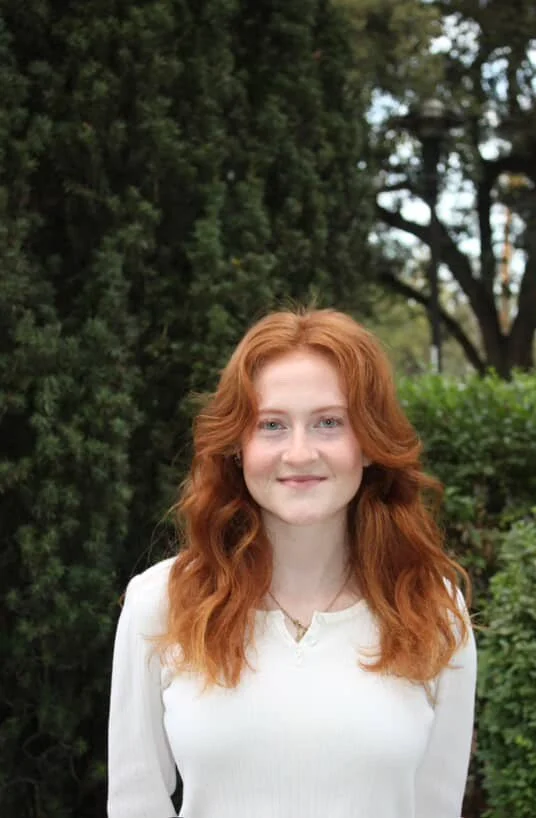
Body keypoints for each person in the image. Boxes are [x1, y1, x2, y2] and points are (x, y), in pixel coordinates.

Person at [107, 307, 477, 818]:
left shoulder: (431, 608)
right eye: (272, 425)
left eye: (329, 422)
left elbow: (437, 807)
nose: (299, 453)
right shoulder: (161, 605)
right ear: (238, 445)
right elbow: (135, 804)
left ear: (369, 444)